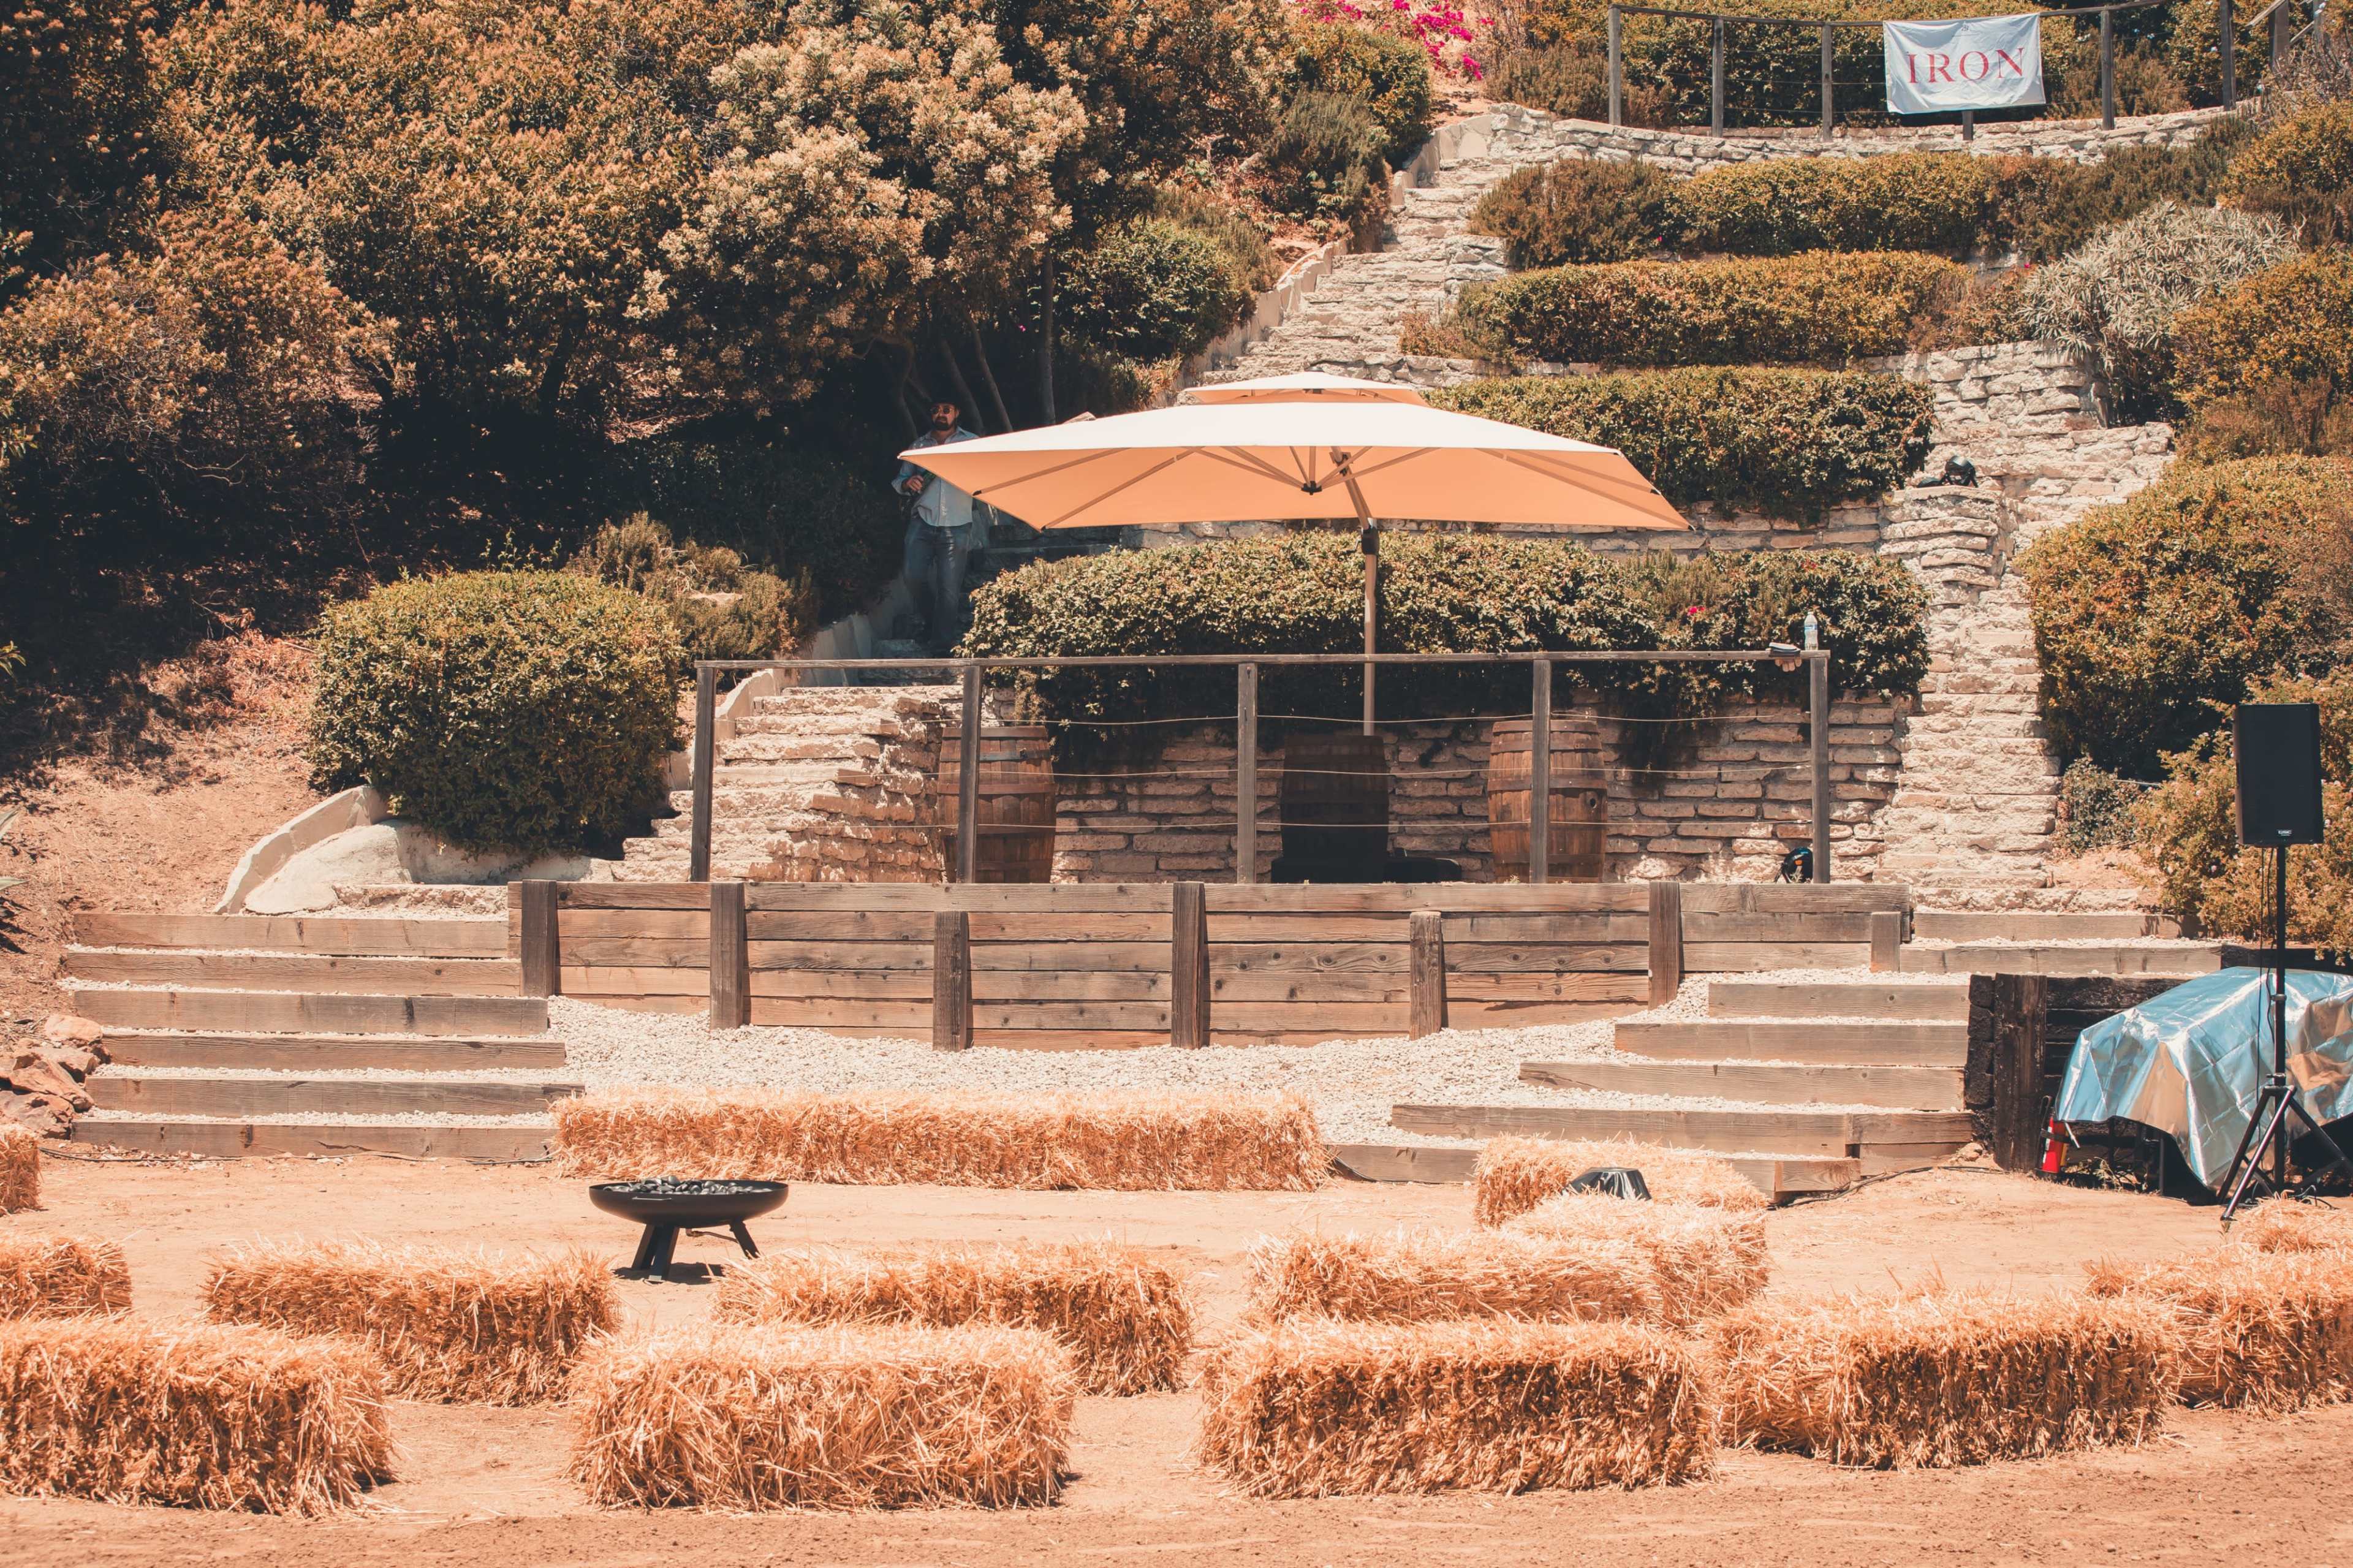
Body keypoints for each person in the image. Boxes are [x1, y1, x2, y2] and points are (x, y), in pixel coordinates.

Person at [895, 401, 981, 654]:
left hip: (958, 523)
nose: (940, 414)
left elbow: (983, 475)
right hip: (923, 520)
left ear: (957, 413)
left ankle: (941, 644)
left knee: (949, 588)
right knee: (913, 577)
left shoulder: (972, 443)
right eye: (935, 410)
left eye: (947, 410)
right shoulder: (919, 446)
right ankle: (934, 624)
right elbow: (900, 480)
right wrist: (907, 483)